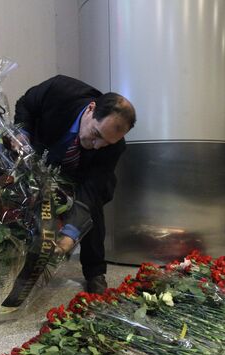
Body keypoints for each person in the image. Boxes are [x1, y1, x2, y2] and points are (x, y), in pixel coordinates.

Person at [14, 75, 136, 293]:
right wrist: (21, 134)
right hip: (41, 154)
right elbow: (26, 104)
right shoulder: (60, 90)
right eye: (96, 134)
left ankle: (95, 272)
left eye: (106, 143)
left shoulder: (113, 147)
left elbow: (92, 188)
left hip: (81, 173)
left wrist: (71, 235)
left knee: (93, 207)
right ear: (91, 109)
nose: (97, 146)